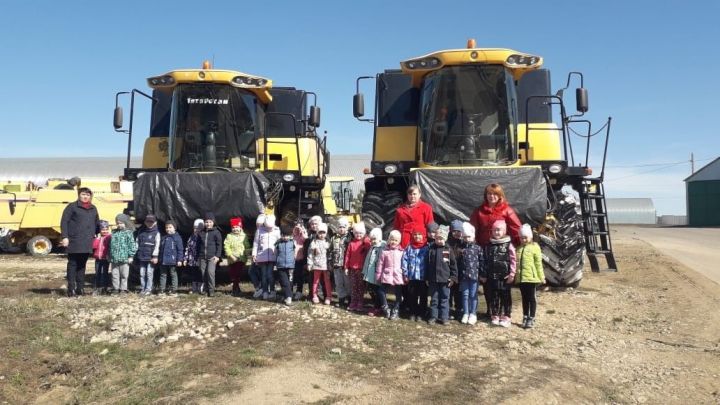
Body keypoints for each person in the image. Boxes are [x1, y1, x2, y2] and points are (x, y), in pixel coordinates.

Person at [469, 183, 521, 316]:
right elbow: (472, 229)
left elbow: (516, 227)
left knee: (502, 284)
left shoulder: (507, 210)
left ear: (500, 196)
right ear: (485, 196)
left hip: (501, 252)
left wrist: (515, 245)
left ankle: (504, 311)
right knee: (487, 282)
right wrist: (475, 246)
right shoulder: (479, 211)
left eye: (495, 194)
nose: (492, 196)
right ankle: (490, 309)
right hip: (484, 250)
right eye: (489, 194)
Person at [60, 187, 99, 297]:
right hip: (74, 240)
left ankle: (80, 288)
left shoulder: (93, 208)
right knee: (72, 264)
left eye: (87, 195)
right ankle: (71, 288)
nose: (85, 196)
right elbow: (64, 222)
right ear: (79, 195)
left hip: (87, 240)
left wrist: (99, 233)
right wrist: (65, 237)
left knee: (82, 265)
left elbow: (96, 223)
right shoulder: (72, 207)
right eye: (83, 194)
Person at [484, 220, 516, 327]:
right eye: (495, 230)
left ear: (504, 231)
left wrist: (512, 273)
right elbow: (485, 260)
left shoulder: (508, 245)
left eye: (499, 230)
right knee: (494, 296)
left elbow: (513, 259)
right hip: (492, 276)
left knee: (505, 296)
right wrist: (484, 274)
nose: (497, 232)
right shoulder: (489, 245)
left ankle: (506, 316)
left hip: (505, 276)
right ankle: (495, 315)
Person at [425, 225, 458, 325]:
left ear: (445, 239)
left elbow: (453, 265)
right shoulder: (431, 249)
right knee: (434, 299)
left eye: (441, 238)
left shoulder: (448, 250)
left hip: (445, 280)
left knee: (444, 299)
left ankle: (444, 317)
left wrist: (453, 278)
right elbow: (427, 264)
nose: (439, 240)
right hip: (433, 280)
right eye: (437, 238)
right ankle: (433, 316)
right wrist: (427, 277)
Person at [515, 224, 545, 328]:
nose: (523, 239)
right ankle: (525, 315)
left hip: (531, 278)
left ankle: (531, 317)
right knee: (524, 298)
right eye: (521, 237)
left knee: (531, 298)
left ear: (530, 237)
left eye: (525, 237)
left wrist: (542, 277)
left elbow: (538, 263)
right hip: (521, 278)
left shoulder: (535, 248)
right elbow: (516, 265)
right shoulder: (518, 249)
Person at [401, 224, 429, 322]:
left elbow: (430, 262)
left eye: (419, 234)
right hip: (412, 276)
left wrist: (428, 276)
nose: (417, 236)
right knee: (412, 295)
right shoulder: (409, 247)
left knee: (423, 296)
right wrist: (405, 274)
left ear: (424, 235)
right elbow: (404, 260)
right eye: (415, 234)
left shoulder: (427, 248)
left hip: (423, 277)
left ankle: (421, 313)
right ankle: (413, 312)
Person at [375, 230, 405, 320]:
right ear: (388, 240)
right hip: (386, 275)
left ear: (399, 241)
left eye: (396, 240)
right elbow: (380, 264)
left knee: (398, 293)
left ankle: (396, 310)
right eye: (392, 239)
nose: (393, 242)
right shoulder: (385, 252)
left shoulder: (401, 252)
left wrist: (405, 275)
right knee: (381, 291)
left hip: (398, 276)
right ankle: (385, 307)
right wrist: (378, 275)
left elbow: (404, 265)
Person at [459, 222, 483, 325]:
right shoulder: (461, 249)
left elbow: (482, 261)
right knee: (465, 294)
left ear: (473, 237)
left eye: (469, 237)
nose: (467, 239)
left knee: (473, 295)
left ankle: (473, 313)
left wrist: (482, 274)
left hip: (474, 276)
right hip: (464, 276)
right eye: (465, 237)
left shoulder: (478, 248)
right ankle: (466, 312)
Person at [344, 221, 371, 312]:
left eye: (360, 233)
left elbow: (369, 250)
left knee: (361, 287)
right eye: (356, 233)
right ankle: (353, 301)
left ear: (363, 233)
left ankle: (360, 302)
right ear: (354, 233)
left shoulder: (365, 243)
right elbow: (347, 256)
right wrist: (346, 267)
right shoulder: (351, 244)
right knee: (354, 286)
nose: (358, 235)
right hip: (352, 269)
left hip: (361, 269)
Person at [252, 214, 280, 300]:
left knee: (270, 274)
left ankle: (272, 291)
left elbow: (279, 243)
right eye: (267, 227)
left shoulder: (277, 230)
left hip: (272, 256)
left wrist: (278, 255)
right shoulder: (259, 230)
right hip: (262, 257)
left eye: (270, 227)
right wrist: (254, 254)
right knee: (263, 275)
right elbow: (256, 243)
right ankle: (264, 291)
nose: (269, 229)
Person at [109, 214, 137, 294]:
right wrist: (110, 255)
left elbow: (132, 245)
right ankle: (115, 288)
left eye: (121, 223)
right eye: (117, 223)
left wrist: (131, 256)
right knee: (114, 274)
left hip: (124, 258)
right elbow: (110, 245)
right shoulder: (114, 232)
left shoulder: (128, 233)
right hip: (114, 258)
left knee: (124, 275)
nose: (119, 225)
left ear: (125, 223)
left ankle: (123, 289)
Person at [362, 228, 386, 317]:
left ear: (379, 238)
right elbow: (368, 260)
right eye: (371, 239)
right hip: (370, 274)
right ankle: (376, 305)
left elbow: (381, 262)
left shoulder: (381, 248)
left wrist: (380, 273)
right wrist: (365, 271)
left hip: (377, 274)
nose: (372, 241)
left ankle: (378, 307)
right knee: (371, 289)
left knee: (377, 290)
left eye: (374, 239)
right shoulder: (372, 247)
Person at [224, 217, 250, 297]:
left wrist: (248, 253)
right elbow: (226, 246)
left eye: (237, 227)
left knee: (238, 273)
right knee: (233, 273)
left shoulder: (244, 236)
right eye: (233, 227)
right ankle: (236, 288)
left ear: (240, 227)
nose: (235, 229)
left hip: (241, 258)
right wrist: (230, 255)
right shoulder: (229, 236)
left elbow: (247, 246)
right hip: (232, 258)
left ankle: (235, 288)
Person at [135, 215, 161, 296]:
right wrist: (134, 253)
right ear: (145, 222)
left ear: (155, 223)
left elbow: (157, 245)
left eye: (151, 222)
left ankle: (149, 289)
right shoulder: (141, 232)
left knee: (149, 273)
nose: (149, 223)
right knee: (142, 273)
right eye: (148, 221)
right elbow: (136, 243)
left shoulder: (156, 233)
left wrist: (155, 256)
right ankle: (143, 288)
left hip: (151, 257)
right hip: (142, 256)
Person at [198, 212, 222, 297]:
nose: (208, 224)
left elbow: (219, 245)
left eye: (210, 222)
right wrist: (198, 256)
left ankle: (211, 291)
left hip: (212, 257)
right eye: (206, 222)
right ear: (204, 223)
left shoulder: (216, 232)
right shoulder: (201, 232)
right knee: (203, 273)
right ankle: (206, 289)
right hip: (202, 257)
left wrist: (217, 256)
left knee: (210, 273)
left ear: (213, 222)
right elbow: (198, 245)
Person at [329, 217, 351, 307]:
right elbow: (330, 250)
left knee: (348, 283)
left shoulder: (349, 238)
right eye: (340, 227)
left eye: (344, 227)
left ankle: (350, 299)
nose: (341, 229)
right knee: (338, 283)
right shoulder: (334, 238)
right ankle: (341, 299)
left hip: (346, 265)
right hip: (336, 264)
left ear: (347, 228)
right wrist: (330, 262)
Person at [307, 222, 331, 304]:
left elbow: (330, 253)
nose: (321, 235)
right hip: (316, 265)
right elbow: (310, 254)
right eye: (320, 232)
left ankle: (328, 296)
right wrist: (309, 263)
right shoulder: (314, 243)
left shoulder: (328, 243)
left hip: (326, 266)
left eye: (323, 232)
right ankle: (314, 295)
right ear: (317, 233)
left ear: (326, 233)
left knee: (327, 281)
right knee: (315, 281)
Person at [158, 220, 184, 295]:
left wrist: (179, 260)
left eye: (170, 227)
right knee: (163, 274)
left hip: (173, 260)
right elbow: (161, 249)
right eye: (167, 228)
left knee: (173, 274)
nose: (168, 229)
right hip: (163, 260)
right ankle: (162, 289)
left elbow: (180, 249)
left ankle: (174, 290)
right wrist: (160, 258)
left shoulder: (177, 238)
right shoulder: (164, 237)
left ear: (174, 228)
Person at [275, 225, 296, 305]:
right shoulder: (278, 243)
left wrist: (294, 262)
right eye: (284, 235)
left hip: (291, 266)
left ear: (290, 235)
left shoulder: (293, 243)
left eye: (288, 235)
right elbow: (275, 253)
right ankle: (288, 296)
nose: (286, 237)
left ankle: (288, 296)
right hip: (281, 265)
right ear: (281, 235)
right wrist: (275, 263)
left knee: (290, 282)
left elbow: (295, 253)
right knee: (284, 281)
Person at [447, 219, 464, 320]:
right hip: (449, 273)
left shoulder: (463, 243)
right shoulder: (447, 244)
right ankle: (448, 310)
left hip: (460, 273)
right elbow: (445, 259)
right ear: (451, 231)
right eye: (455, 231)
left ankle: (459, 310)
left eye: (459, 231)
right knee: (449, 292)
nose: (457, 233)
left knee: (459, 293)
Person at [184, 219, 204, 294]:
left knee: (200, 274)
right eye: (195, 228)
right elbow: (187, 248)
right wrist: (186, 258)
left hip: (200, 259)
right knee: (194, 274)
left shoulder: (203, 237)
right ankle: (194, 288)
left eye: (199, 228)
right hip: (192, 259)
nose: (196, 230)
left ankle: (200, 288)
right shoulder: (191, 237)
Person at [92, 220, 112, 295]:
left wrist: (109, 255)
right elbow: (94, 246)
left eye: (106, 230)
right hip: (98, 258)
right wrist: (97, 238)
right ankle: (97, 288)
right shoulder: (98, 238)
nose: (105, 231)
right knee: (97, 273)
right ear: (100, 230)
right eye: (103, 230)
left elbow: (110, 247)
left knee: (105, 273)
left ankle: (105, 288)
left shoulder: (109, 237)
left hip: (106, 258)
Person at [292, 222, 309, 300]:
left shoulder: (303, 236)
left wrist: (302, 231)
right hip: (292, 259)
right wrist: (296, 230)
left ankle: (299, 291)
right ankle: (291, 291)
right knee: (292, 276)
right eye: (297, 227)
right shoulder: (293, 237)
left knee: (300, 276)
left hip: (300, 259)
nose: (298, 229)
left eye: (300, 228)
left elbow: (305, 238)